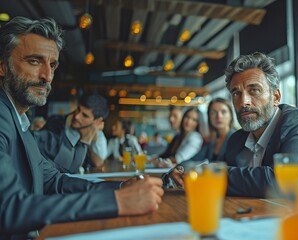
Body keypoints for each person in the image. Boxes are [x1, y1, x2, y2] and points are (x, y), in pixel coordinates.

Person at [0, 17, 163, 238]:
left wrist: (121, 188)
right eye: (34, 61)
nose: (47, 76)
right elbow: (8, 209)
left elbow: (53, 181)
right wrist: (115, 201)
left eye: (53, 65)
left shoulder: (18, 120)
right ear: (2, 66)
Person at [170, 52, 298, 197]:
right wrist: (182, 171)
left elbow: (284, 181)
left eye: (254, 90)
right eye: (236, 93)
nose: (244, 102)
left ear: (276, 97)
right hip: (258, 220)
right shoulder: (238, 139)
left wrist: (205, 173)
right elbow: (216, 166)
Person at [34, 93, 108, 173]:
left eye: (85, 116)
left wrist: (89, 139)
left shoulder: (92, 131)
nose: (77, 116)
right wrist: (84, 141)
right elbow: (69, 169)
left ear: (97, 121)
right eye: (78, 109)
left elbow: (98, 163)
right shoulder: (55, 124)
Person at [189, 98, 235, 162]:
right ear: (209, 117)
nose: (219, 116)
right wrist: (180, 168)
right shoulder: (212, 140)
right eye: (213, 113)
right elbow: (194, 160)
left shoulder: (236, 138)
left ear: (231, 116)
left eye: (223, 112)